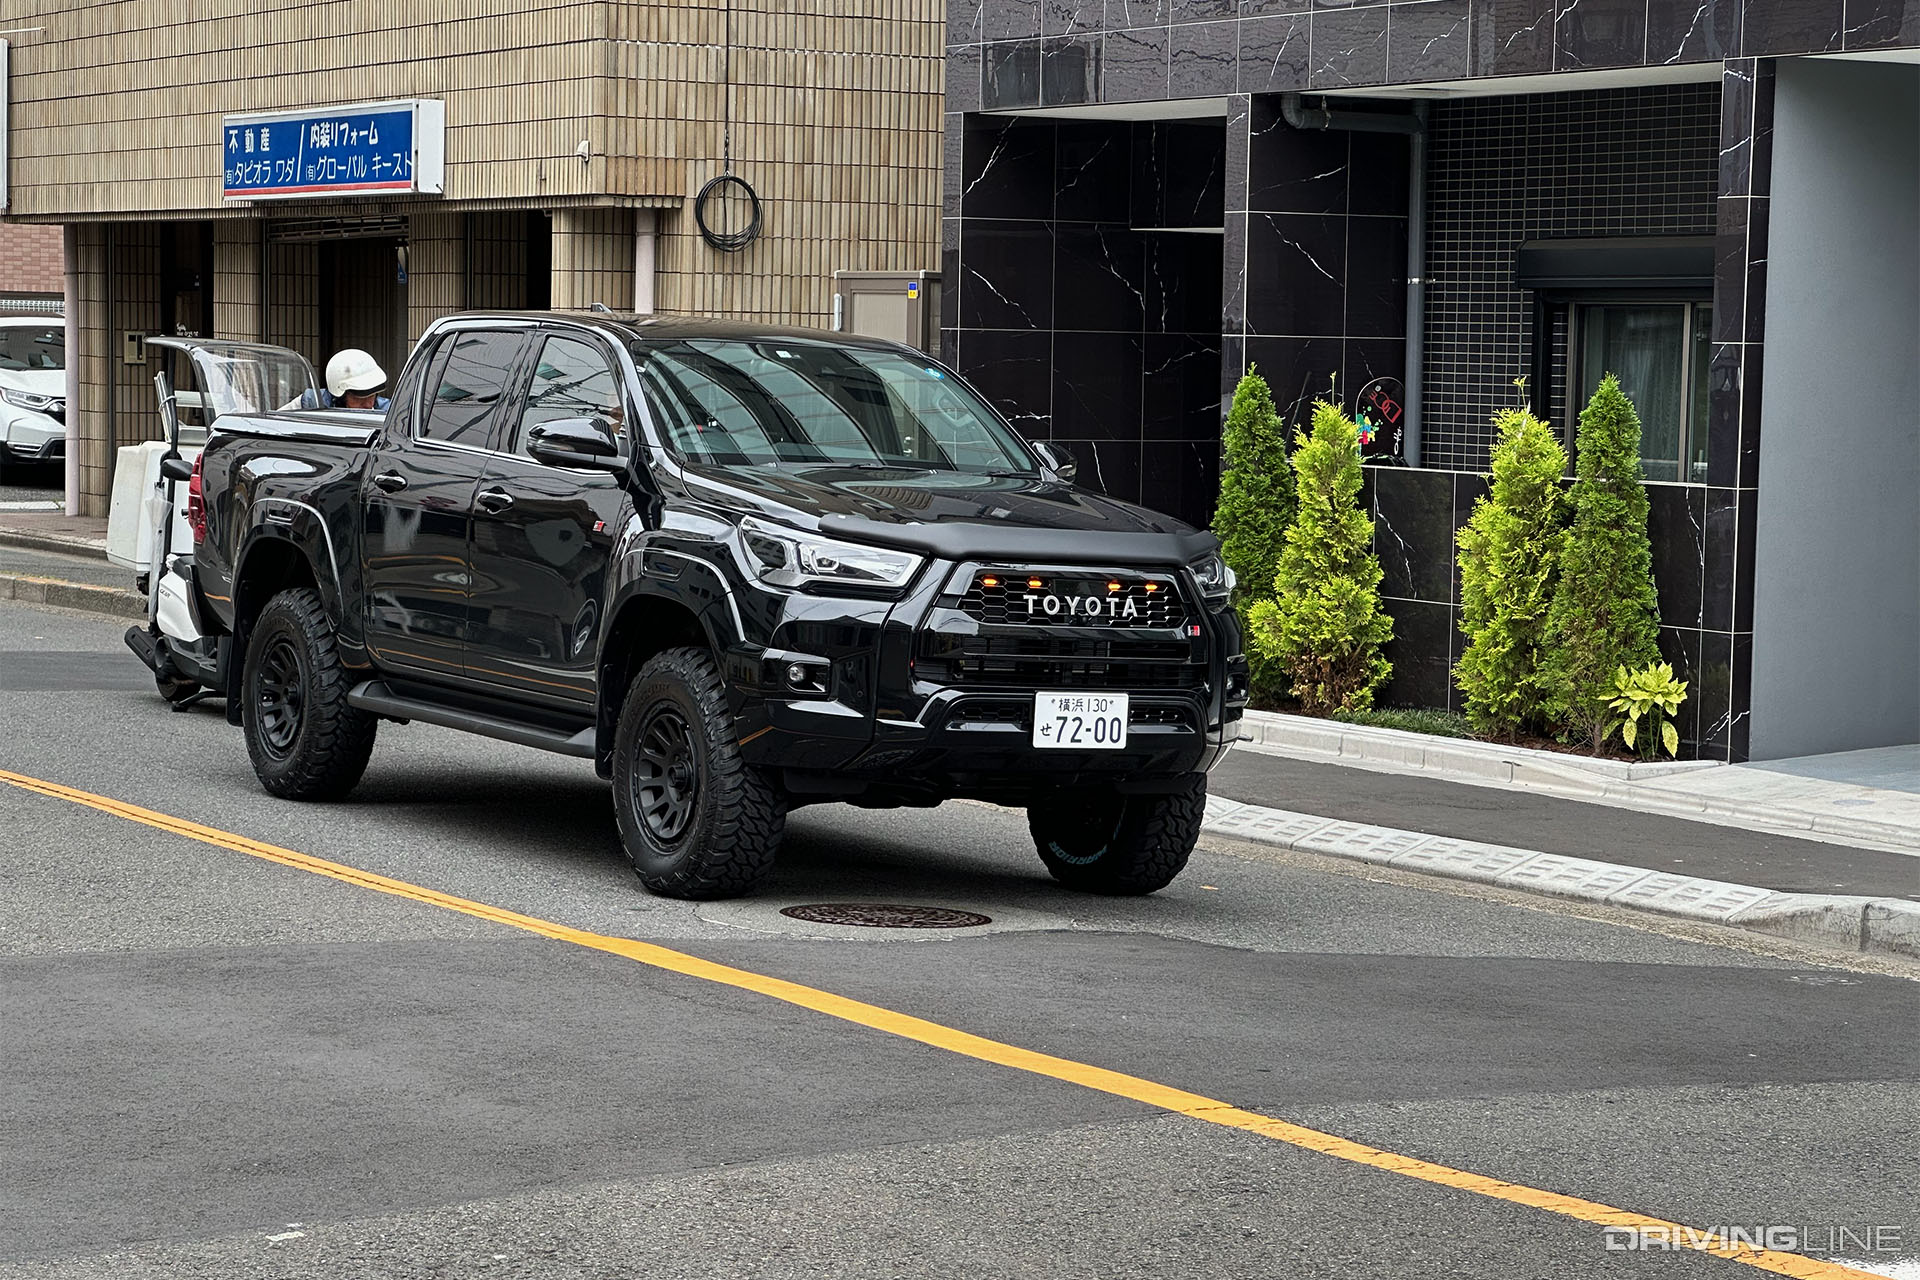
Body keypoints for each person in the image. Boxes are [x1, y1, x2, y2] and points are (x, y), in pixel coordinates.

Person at [292, 349, 390, 411]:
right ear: (340, 397)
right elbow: (279, 424)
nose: (368, 405)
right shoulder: (312, 401)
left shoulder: (388, 411)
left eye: (372, 396)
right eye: (359, 398)